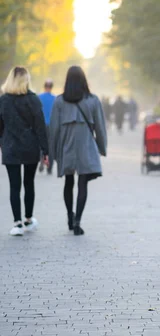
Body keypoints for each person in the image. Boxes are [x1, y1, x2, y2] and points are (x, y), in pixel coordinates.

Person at [49, 66, 107, 236]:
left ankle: (69, 217)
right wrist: (102, 148)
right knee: (83, 183)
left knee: (68, 182)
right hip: (86, 146)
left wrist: (51, 153)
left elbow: (53, 129)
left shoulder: (59, 101)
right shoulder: (93, 100)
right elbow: (100, 128)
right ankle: (77, 221)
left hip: (67, 144)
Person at [0, 67, 49, 236]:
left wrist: (3, 144)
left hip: (10, 147)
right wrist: (45, 150)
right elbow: (40, 127)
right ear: (26, 80)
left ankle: (17, 223)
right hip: (30, 146)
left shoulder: (3, 100)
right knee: (29, 184)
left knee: (14, 186)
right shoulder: (33, 99)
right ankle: (28, 219)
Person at [38, 79, 56, 174]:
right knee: (51, 146)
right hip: (52, 125)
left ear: (44, 87)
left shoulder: (39, 97)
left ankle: (41, 160)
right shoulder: (55, 98)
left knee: (42, 144)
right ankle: (49, 167)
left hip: (41, 124)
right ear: (51, 87)